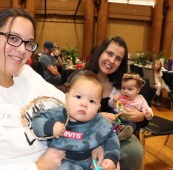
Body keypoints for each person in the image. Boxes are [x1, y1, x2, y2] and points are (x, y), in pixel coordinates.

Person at [0, 8, 104, 170]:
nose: (22, 50)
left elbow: (68, 105)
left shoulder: (26, 74)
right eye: (13, 38)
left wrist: (94, 139)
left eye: (28, 43)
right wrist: (38, 166)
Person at [65, 36, 145, 170]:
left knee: (134, 151)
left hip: (115, 133)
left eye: (118, 58)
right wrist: (96, 117)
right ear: (100, 52)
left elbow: (139, 109)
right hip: (81, 133)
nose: (112, 61)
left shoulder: (122, 84)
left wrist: (140, 116)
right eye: (109, 53)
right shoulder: (79, 78)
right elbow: (64, 110)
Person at [32, 70, 120, 170]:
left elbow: (111, 138)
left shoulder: (99, 123)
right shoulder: (57, 115)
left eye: (91, 101)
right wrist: (51, 126)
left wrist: (111, 158)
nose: (84, 103)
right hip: (62, 161)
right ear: (67, 98)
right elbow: (36, 121)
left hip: (90, 163)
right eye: (78, 97)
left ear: (98, 107)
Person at [108, 72, 153, 141]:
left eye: (130, 89)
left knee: (131, 126)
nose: (125, 91)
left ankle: (123, 134)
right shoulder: (119, 94)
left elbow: (147, 109)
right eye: (123, 88)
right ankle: (109, 129)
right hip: (116, 115)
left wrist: (148, 114)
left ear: (138, 90)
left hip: (129, 120)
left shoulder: (140, 99)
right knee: (110, 114)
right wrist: (113, 100)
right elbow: (110, 105)